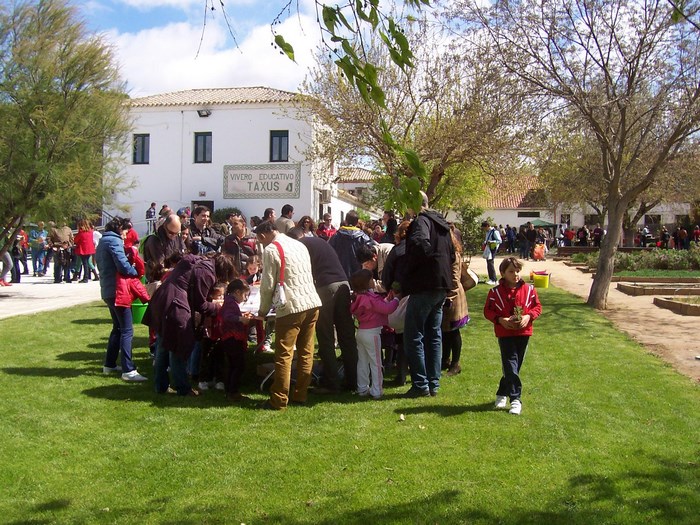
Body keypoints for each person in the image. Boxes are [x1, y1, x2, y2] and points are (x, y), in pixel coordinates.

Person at [144, 252, 238, 396]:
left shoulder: (199, 261)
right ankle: (183, 388)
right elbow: (200, 304)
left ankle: (160, 386)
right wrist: (218, 307)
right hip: (173, 304)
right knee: (178, 348)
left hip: (162, 299)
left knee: (163, 345)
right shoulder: (207, 272)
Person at [255, 220, 322, 410]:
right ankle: (300, 394)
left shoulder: (271, 250)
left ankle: (278, 399)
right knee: (306, 351)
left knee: (283, 354)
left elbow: (267, 285)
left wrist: (262, 311)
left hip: (291, 307)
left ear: (262, 236)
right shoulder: (299, 244)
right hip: (312, 302)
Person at [287, 227, 358, 393]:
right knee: (346, 335)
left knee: (325, 335)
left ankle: (331, 383)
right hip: (343, 284)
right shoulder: (319, 241)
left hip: (326, 287)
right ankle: (354, 381)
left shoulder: (301, 245)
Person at [402, 192, 455, 398]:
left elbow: (420, 244)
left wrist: (413, 269)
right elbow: (451, 253)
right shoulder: (441, 225)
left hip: (426, 284)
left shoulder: (421, 221)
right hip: (440, 284)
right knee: (434, 335)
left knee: (414, 335)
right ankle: (433, 384)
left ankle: (421, 384)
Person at [483, 257, 542, 415]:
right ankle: (516, 399)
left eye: (517, 271)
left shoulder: (529, 290)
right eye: (511, 271)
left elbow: (537, 307)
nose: (515, 274)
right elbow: (488, 311)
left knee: (515, 366)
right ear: (502, 273)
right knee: (510, 364)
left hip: (524, 332)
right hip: (505, 333)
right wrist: (500, 319)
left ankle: (502, 393)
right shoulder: (495, 292)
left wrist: (528, 316)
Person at [95, 217, 147, 382]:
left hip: (108, 290)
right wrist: (135, 271)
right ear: (119, 228)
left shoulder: (104, 241)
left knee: (117, 328)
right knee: (127, 330)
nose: (126, 235)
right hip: (118, 291)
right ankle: (128, 370)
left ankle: (109, 364)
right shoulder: (114, 241)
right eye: (125, 231)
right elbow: (122, 264)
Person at [349, 269, 399, 400]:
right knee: (376, 362)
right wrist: (397, 299)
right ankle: (377, 390)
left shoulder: (358, 297)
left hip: (361, 332)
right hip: (373, 333)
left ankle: (362, 388)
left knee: (363, 361)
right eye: (371, 279)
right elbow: (387, 309)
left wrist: (387, 300)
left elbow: (380, 306)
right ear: (366, 282)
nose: (374, 281)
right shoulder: (371, 298)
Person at [219, 279, 256, 401]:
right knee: (238, 365)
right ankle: (233, 392)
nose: (245, 298)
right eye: (245, 295)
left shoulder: (230, 302)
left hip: (229, 338)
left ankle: (229, 390)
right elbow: (228, 317)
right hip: (232, 338)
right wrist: (240, 319)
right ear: (237, 292)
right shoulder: (230, 303)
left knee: (233, 365)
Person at [441, 229, 470, 376]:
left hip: (454, 295)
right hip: (448, 294)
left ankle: (455, 364)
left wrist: (449, 297)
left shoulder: (453, 255)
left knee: (453, 331)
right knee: (445, 330)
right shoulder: (447, 254)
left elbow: (454, 278)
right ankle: (445, 359)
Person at [328, 209, 374, 279]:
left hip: (340, 273)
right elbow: (371, 252)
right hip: (359, 274)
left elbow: (329, 253)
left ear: (346, 221)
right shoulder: (363, 237)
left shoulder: (336, 236)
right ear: (357, 222)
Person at [142, 214, 185, 282]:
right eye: (171, 233)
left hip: (172, 276)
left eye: (177, 233)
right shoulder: (154, 240)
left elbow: (182, 252)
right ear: (165, 226)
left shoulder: (178, 236)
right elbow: (160, 266)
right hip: (156, 280)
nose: (174, 236)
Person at [482, 221, 501, 285]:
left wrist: (491, 241)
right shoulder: (487, 232)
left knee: (490, 263)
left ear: (487, 226)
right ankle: (491, 279)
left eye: (484, 228)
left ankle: (494, 279)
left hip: (493, 248)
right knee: (488, 263)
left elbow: (499, 241)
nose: (483, 229)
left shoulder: (495, 231)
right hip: (488, 248)